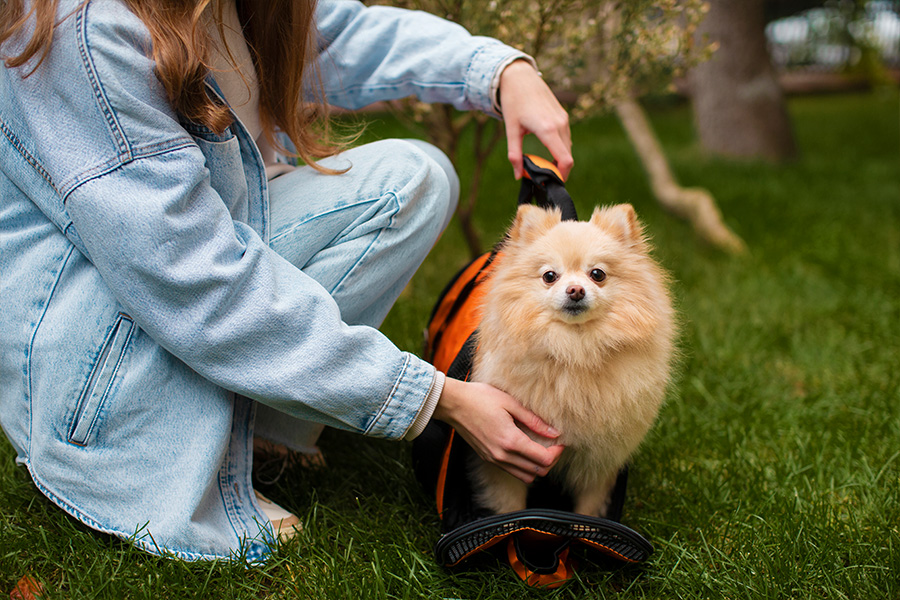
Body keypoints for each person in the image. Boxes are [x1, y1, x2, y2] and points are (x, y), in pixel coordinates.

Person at [0, 0, 572, 561]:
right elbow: (193, 281)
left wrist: (502, 72)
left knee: (413, 181)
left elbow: (341, 36)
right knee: (206, 283)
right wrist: (434, 398)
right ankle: (160, 457)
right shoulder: (86, 30)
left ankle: (266, 435)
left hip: (186, 268)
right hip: (102, 352)